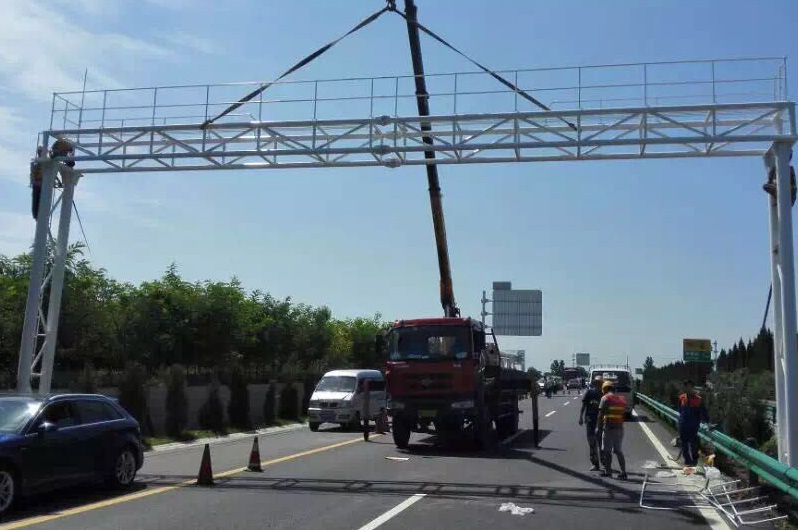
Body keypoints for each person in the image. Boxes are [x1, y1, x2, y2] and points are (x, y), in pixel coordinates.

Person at [596, 380, 627, 479]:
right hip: (619, 428)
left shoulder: (605, 398)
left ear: (605, 389)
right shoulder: (621, 398)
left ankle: (608, 471)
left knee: (606, 451)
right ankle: (623, 472)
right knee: (618, 451)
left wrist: (598, 428)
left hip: (608, 428)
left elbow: (600, 415)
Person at [678, 379, 709, 467]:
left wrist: (707, 422)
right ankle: (688, 461)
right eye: (687, 387)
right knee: (684, 443)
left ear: (693, 387)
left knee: (694, 444)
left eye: (690, 387)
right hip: (683, 424)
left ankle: (694, 461)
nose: (689, 389)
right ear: (685, 388)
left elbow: (704, 412)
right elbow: (680, 410)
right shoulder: (682, 397)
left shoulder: (698, 399)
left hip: (693, 426)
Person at [578, 378, 603, 471]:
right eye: (597, 383)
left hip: (600, 421)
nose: (598, 385)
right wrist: (581, 416)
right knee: (592, 443)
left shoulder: (603, 394)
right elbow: (584, 405)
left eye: (600, 383)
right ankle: (595, 464)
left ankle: (604, 463)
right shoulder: (589, 393)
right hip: (590, 420)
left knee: (600, 443)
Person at [30, 146, 44, 220]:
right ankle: (36, 216)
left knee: (40, 203)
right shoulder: (36, 162)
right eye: (39, 151)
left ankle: (37, 216)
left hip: (41, 185)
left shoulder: (42, 161)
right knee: (36, 203)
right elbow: (33, 173)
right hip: (37, 185)